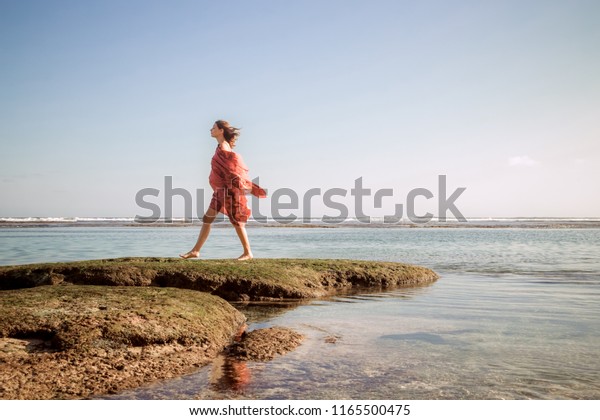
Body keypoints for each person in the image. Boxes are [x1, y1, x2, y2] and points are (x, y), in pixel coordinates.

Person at [180, 120, 266, 261]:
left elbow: (232, 166)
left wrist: (241, 184)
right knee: (207, 219)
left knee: (236, 222)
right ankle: (195, 251)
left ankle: (248, 253)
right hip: (220, 191)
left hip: (227, 191)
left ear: (221, 131)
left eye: (213, 128)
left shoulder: (224, 147)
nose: (210, 130)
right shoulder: (220, 146)